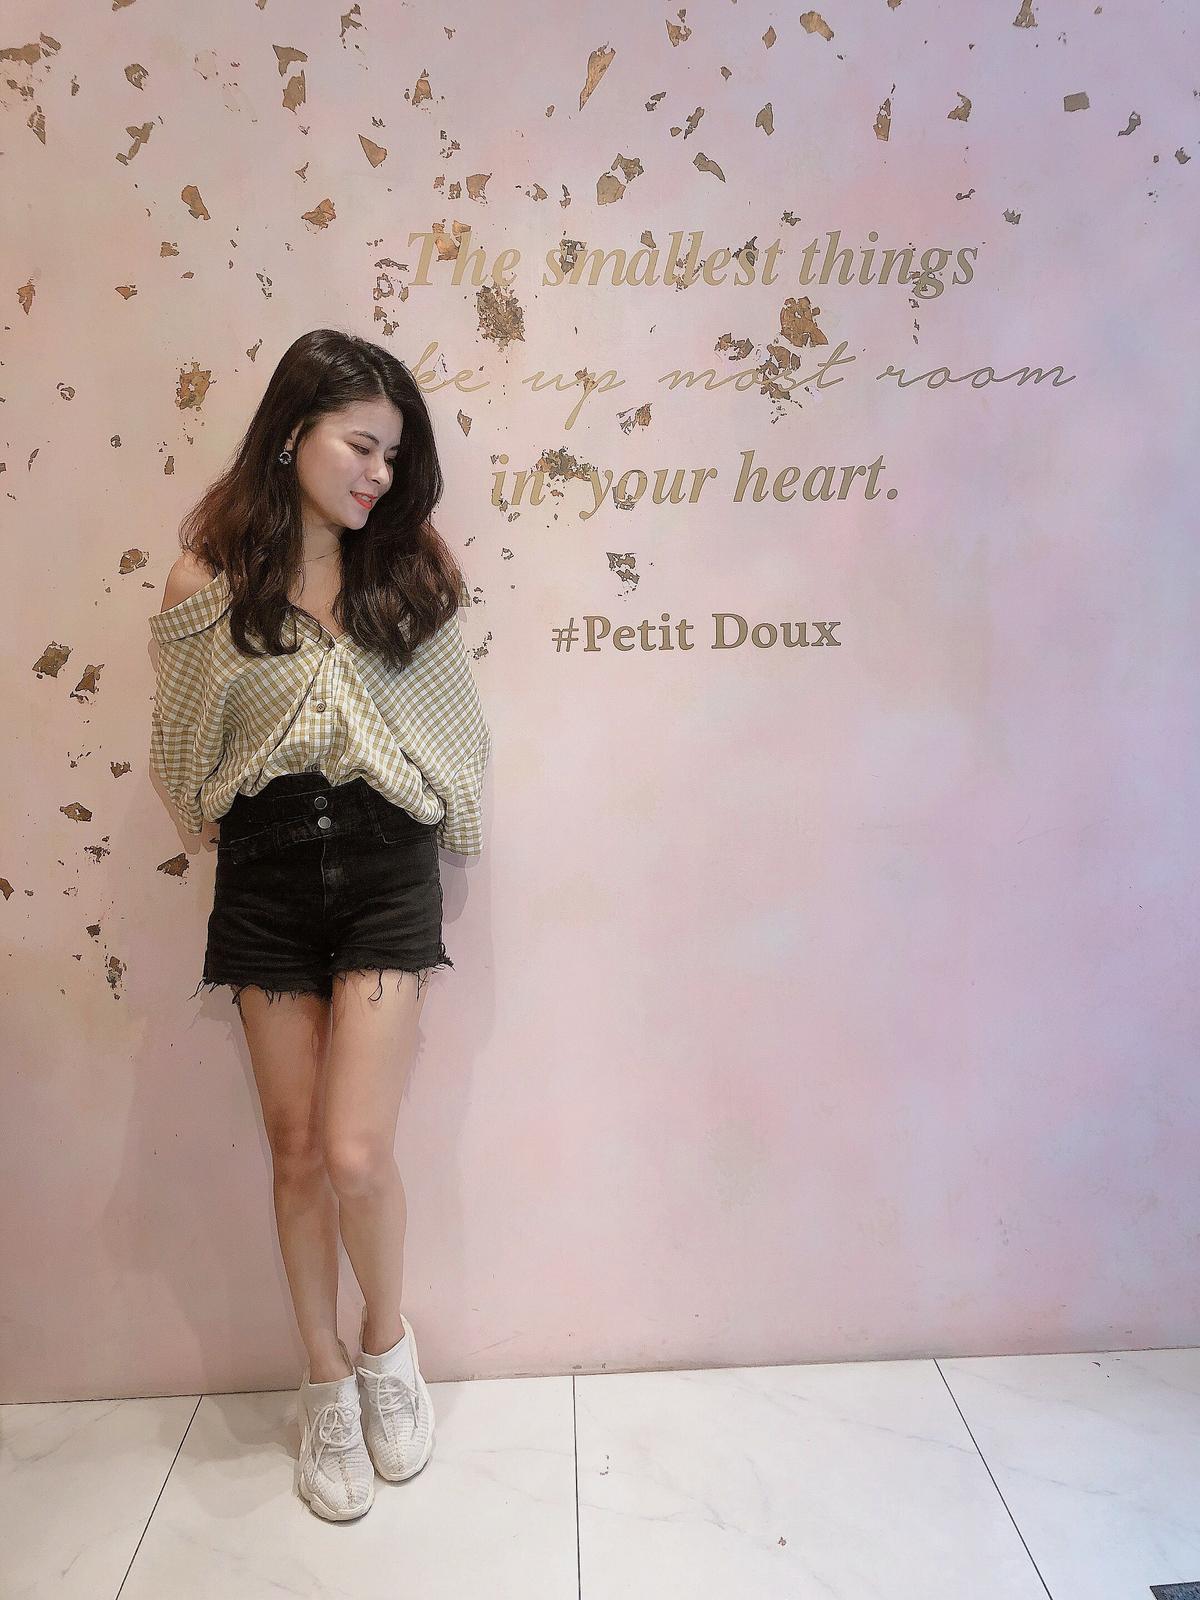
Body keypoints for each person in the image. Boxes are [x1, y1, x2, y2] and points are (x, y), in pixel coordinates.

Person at [148, 328, 491, 1521]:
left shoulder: (406, 571)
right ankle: (325, 1380)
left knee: (354, 1152)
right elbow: (182, 752)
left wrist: (448, 817)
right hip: (267, 871)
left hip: (386, 867)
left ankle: (388, 1347)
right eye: (361, 445)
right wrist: (214, 818)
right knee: (294, 1152)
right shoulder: (206, 587)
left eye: (395, 455)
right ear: (294, 432)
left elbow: (459, 731)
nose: (379, 474)